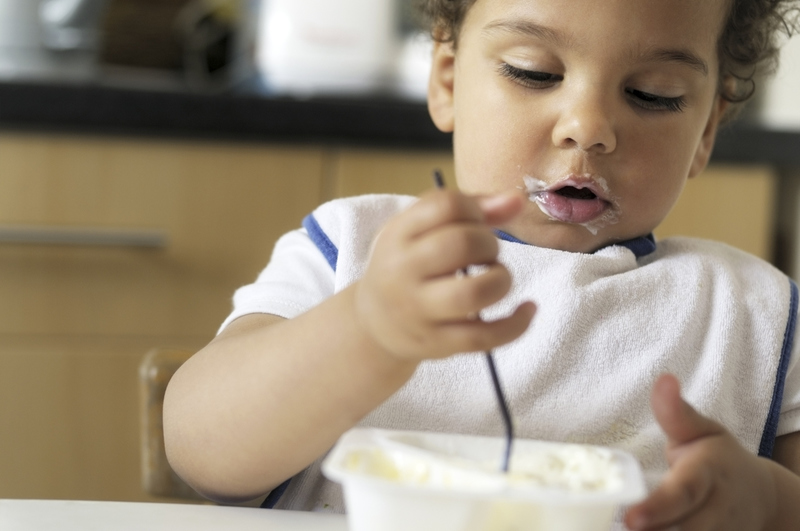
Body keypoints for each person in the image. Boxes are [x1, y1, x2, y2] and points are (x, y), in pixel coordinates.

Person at [163, 0, 800, 528]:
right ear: (446, 80)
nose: (588, 127)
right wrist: (364, 329)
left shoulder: (754, 315)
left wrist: (770, 504)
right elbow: (201, 451)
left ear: (707, 131)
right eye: (532, 72)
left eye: (652, 95)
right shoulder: (354, 251)